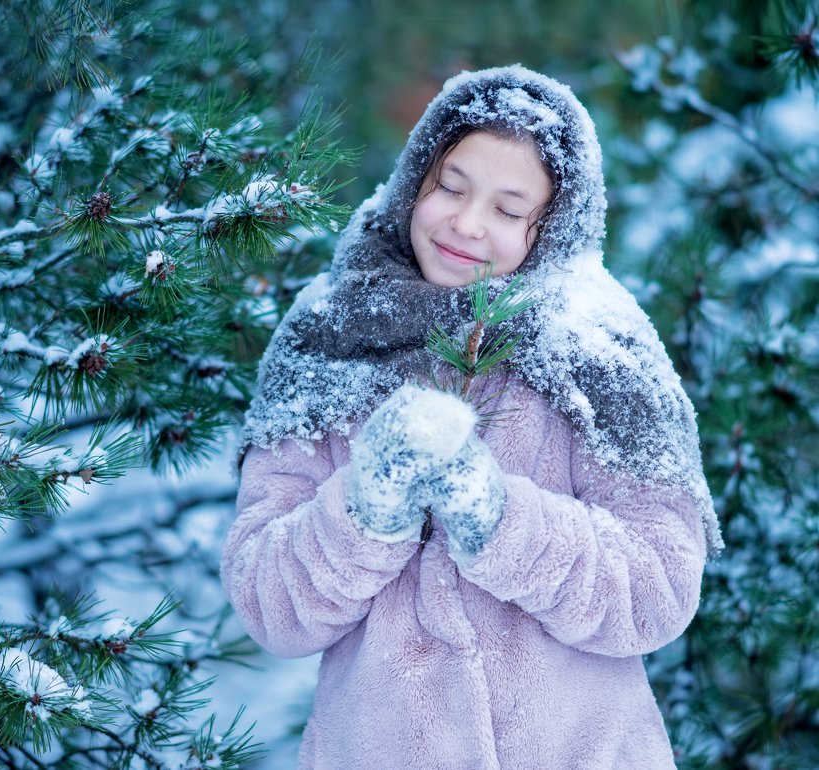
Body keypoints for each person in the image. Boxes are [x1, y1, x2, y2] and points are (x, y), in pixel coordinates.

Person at [220, 65, 723, 770]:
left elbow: (658, 590)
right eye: (450, 188)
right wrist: (370, 503)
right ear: (413, 181)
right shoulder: (328, 335)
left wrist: (496, 514)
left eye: (510, 210)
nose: (466, 223)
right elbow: (269, 602)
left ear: (554, 227)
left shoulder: (600, 350)